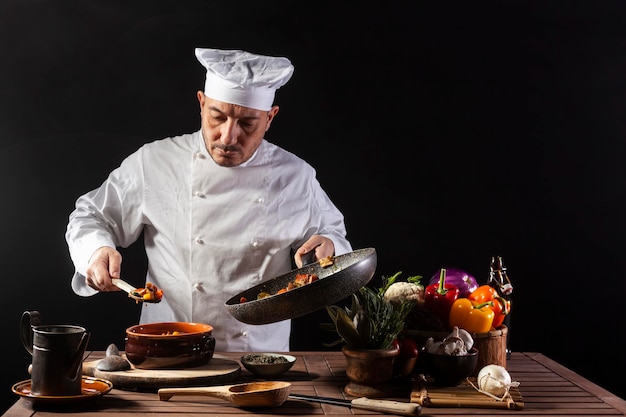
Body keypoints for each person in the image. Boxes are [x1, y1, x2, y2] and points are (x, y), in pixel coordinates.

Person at [65, 47, 352, 352]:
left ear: (270, 118)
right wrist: (96, 251)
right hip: (170, 350)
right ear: (201, 104)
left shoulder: (296, 176)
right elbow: (91, 216)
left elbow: (333, 240)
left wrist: (329, 246)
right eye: (217, 117)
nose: (228, 137)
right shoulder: (155, 162)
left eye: (247, 124)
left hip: (258, 356)